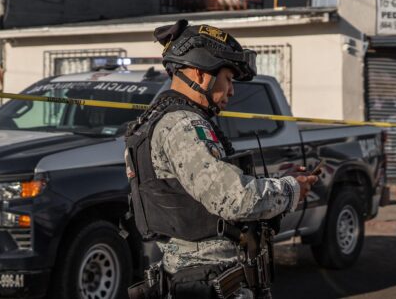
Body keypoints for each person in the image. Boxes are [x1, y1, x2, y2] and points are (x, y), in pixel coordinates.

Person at [124, 20, 318, 298]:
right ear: (201, 74)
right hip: (208, 278)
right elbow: (234, 199)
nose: (232, 91)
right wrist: (291, 189)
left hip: (190, 276)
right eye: (228, 79)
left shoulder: (157, 121)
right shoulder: (183, 125)